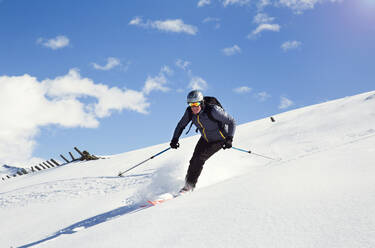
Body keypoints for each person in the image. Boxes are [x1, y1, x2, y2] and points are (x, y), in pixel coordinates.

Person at [170, 90, 236, 192]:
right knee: (193, 161)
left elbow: (231, 121)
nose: (194, 107)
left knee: (200, 159)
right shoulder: (189, 112)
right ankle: (187, 185)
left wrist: (229, 138)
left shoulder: (213, 111)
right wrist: (175, 139)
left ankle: (189, 187)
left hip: (220, 139)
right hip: (206, 138)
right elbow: (181, 125)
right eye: (191, 104)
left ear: (201, 102)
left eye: (196, 104)